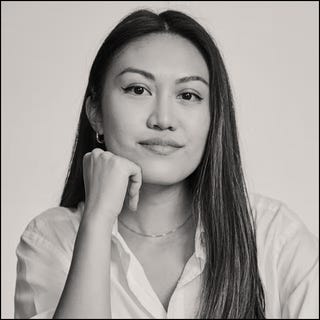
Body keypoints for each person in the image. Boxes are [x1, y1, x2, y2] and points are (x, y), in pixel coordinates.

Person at [14, 9, 318, 319]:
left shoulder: (275, 239)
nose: (162, 119)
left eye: (188, 95)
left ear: (214, 117)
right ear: (96, 112)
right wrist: (98, 217)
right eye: (138, 89)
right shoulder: (51, 239)